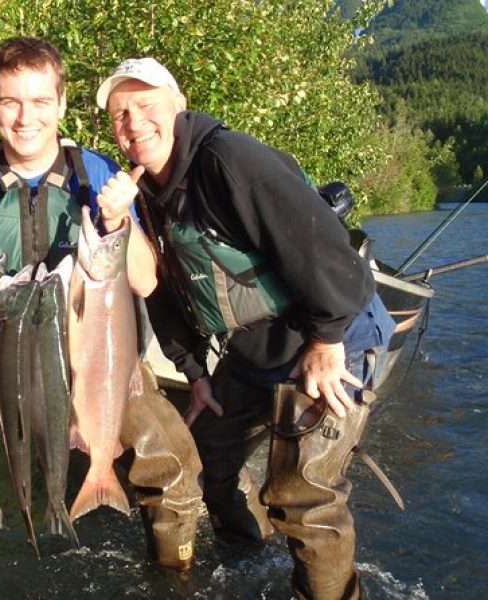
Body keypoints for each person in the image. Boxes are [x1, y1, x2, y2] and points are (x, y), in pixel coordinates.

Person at [0, 38, 202, 571]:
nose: (26, 117)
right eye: (10, 102)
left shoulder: (95, 173)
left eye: (40, 101)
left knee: (171, 464)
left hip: (94, 361)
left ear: (62, 103)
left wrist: (120, 220)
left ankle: (176, 577)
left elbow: (143, 283)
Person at [97, 58, 396, 598]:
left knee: (305, 497)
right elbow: (165, 291)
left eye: (146, 106)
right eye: (120, 114)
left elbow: (330, 253)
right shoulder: (148, 193)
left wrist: (327, 340)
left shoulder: (230, 161)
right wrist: (196, 373)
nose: (134, 122)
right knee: (208, 455)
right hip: (253, 353)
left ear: (178, 104)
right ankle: (245, 563)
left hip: (330, 338)